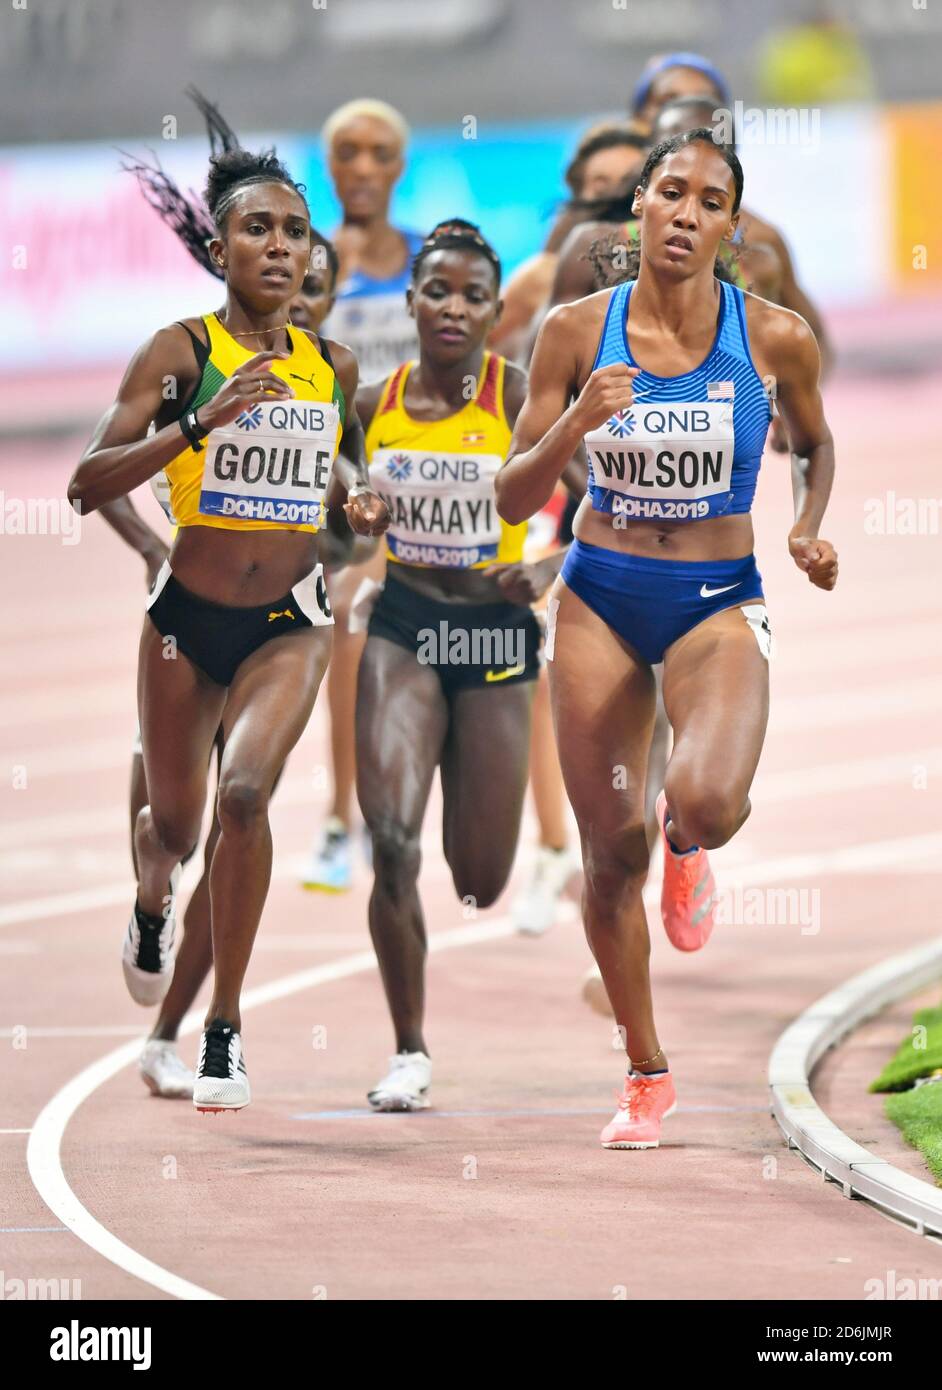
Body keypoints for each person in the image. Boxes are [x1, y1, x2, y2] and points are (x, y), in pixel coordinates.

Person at [496, 129, 837, 1149]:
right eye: (671, 192)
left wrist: (808, 524)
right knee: (608, 855)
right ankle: (646, 1070)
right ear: (638, 208)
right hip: (601, 591)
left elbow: (814, 442)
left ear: (732, 226)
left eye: (711, 200)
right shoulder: (570, 333)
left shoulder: (773, 339)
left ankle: (688, 842)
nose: (687, 212)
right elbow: (511, 494)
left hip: (716, 597)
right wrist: (568, 430)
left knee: (706, 799)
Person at [69, 144, 388, 1113]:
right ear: (220, 249)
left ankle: (225, 1031)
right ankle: (151, 896)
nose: (282, 247)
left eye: (296, 231)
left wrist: (361, 505)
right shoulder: (181, 353)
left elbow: (343, 478)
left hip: (288, 621)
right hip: (185, 622)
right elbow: (88, 482)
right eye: (260, 229)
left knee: (243, 799)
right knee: (171, 826)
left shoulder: (332, 364)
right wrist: (200, 424)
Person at [355, 220, 577, 1111]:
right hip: (404, 625)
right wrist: (354, 517)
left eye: (472, 295)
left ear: (496, 312)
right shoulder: (372, 403)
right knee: (393, 842)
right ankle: (408, 1050)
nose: (453, 307)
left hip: (493, 639)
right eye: (436, 291)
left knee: (478, 878)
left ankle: (476, 829)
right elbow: (334, 518)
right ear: (409, 302)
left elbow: (612, 505)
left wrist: (548, 567)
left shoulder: (523, 395)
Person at [301, 98, 426, 893]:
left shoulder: (431, 259)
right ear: (329, 164)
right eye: (348, 151)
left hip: (438, 481)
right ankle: (340, 818)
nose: (365, 167)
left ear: (401, 165)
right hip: (342, 488)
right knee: (348, 620)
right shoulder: (307, 265)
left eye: (381, 151)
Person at [489, 124, 649, 361]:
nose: (617, 196)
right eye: (601, 184)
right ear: (579, 192)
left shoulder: (677, 270)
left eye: (629, 183)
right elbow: (490, 362)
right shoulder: (538, 275)